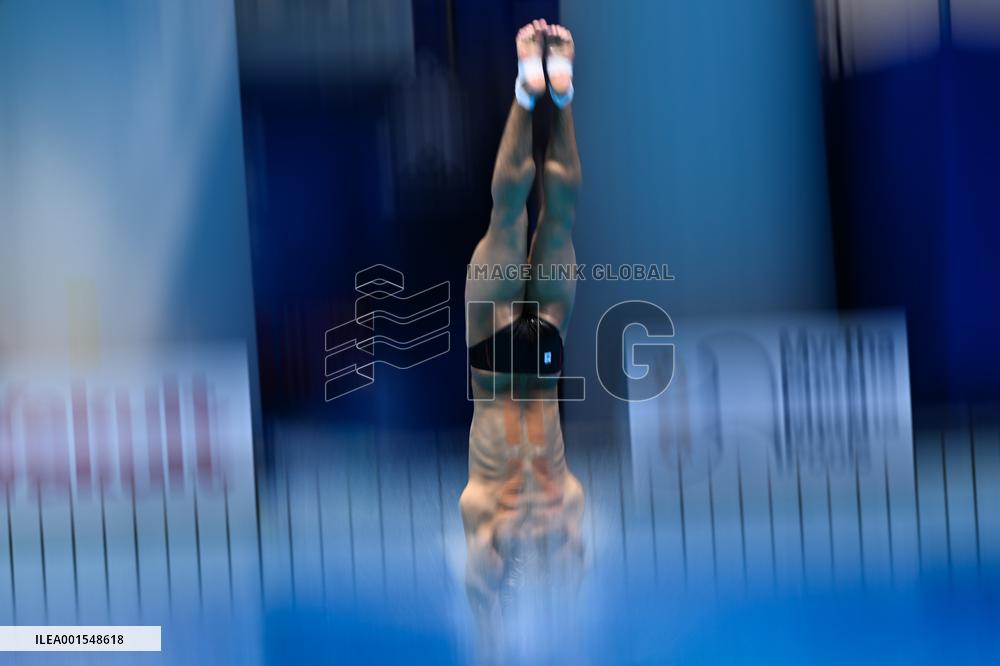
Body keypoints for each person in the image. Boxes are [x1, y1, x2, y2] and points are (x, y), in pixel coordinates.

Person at [460, 19, 585, 654]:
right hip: (529, 364)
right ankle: (555, 94)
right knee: (548, 220)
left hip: (501, 364)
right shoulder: (565, 511)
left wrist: (493, 634)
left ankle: (537, 91)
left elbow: (482, 594)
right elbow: (568, 581)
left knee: (517, 218)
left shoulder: (484, 513)